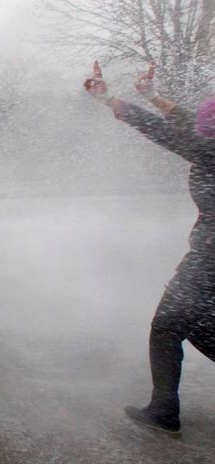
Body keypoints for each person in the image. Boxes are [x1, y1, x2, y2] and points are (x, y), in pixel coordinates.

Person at [85, 61, 215, 435]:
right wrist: (152, 95)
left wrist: (110, 99)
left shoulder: (210, 151)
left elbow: (164, 131)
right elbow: (187, 122)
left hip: (210, 259)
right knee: (194, 324)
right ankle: (163, 406)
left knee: (167, 327)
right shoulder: (208, 144)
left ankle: (163, 410)